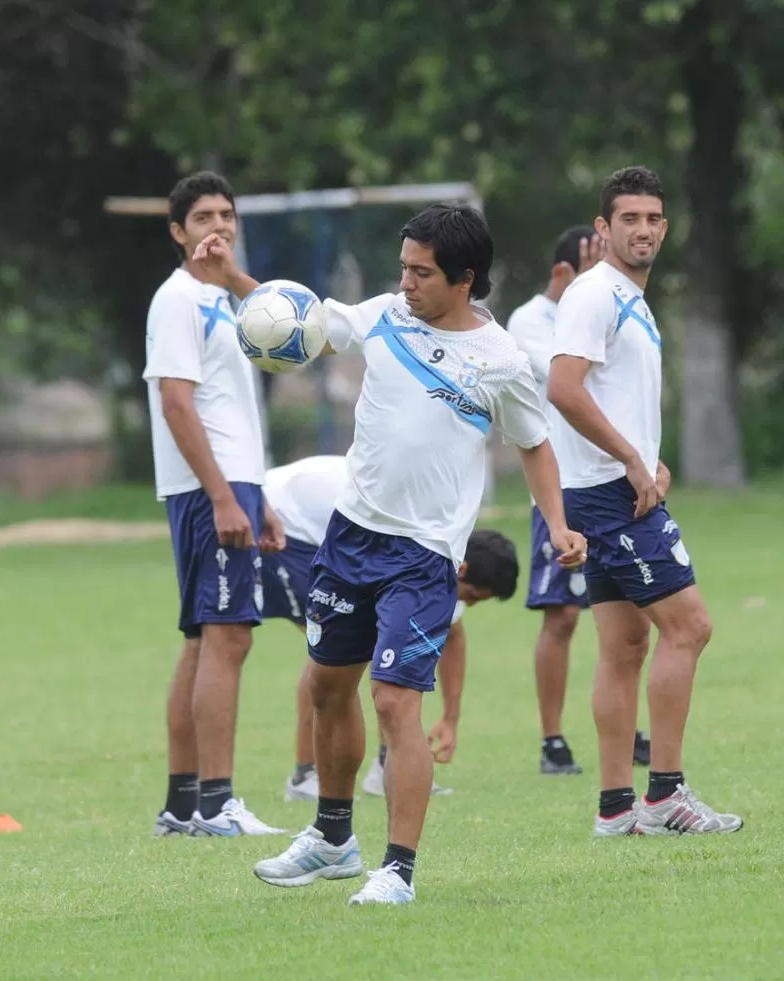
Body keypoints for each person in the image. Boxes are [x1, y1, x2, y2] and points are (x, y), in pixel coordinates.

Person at [192, 203, 587, 904]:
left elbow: (535, 444)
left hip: (424, 554)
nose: (406, 282)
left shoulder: (501, 363)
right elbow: (305, 322)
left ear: (465, 278)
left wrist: (556, 524)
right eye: (403, 268)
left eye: (421, 272)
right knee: (325, 686)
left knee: (395, 700)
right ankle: (333, 839)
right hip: (349, 537)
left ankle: (397, 869)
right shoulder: (386, 315)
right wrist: (234, 279)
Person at [547, 166, 742, 836]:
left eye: (653, 218)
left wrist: (648, 454)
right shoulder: (595, 294)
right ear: (602, 230)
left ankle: (614, 809)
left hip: (612, 487)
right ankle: (664, 795)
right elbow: (564, 387)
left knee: (626, 645)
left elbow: (607, 394)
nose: (644, 229)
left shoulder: (632, 298)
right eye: (628, 218)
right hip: (609, 495)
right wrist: (631, 460)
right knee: (689, 627)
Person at [143, 171, 286, 839]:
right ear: (178, 231)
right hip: (211, 490)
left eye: (227, 215)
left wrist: (261, 496)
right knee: (227, 637)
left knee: (205, 640)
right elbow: (177, 402)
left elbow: (290, 336)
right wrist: (226, 495)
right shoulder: (176, 301)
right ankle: (216, 802)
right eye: (203, 217)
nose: (218, 226)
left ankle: (182, 803)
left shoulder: (221, 299)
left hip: (234, 484)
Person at [259, 455, 520, 802]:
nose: (466, 605)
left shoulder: (439, 540)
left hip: (332, 528)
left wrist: (451, 718)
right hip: (284, 519)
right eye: (471, 595)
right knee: (336, 652)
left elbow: (452, 633)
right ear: (463, 569)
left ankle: (383, 765)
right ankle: (308, 777)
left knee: (371, 645)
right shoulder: (424, 537)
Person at [508, 228, 651, 775]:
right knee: (562, 617)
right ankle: (552, 740)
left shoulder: (610, 305)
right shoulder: (528, 321)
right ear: (564, 274)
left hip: (609, 484)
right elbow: (569, 382)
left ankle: (628, 729)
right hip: (560, 491)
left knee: (625, 617)